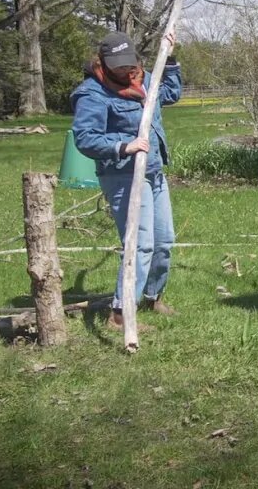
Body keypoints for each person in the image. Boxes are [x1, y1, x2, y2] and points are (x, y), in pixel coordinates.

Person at [70, 30, 181, 331]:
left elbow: (170, 94)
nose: (125, 69)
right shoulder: (92, 93)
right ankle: (120, 314)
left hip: (154, 172)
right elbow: (85, 138)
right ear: (103, 62)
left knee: (164, 241)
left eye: (128, 62)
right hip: (123, 175)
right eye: (118, 64)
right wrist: (123, 145)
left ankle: (152, 296)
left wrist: (169, 59)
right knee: (140, 244)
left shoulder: (143, 79)